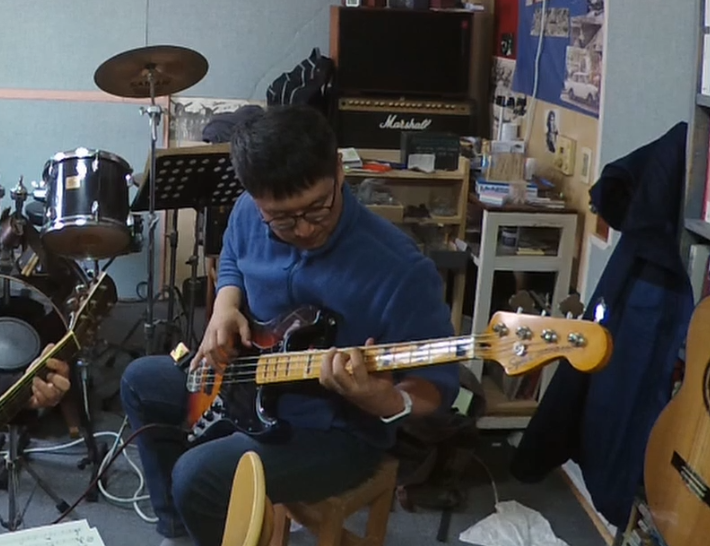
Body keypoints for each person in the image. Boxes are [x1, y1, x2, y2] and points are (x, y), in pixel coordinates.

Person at [121, 105, 460, 546]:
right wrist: (225, 303)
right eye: (281, 219)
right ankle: (180, 531)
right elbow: (233, 256)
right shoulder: (248, 212)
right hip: (250, 379)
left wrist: (384, 399)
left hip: (336, 435)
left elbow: (440, 384)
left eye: (317, 208)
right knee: (140, 382)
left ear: (338, 169)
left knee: (197, 476)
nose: (303, 230)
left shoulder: (401, 270)